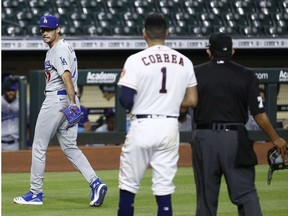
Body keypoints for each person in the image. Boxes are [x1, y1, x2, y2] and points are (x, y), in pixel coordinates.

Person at [13, 15, 107, 206]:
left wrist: (72, 103)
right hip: (67, 100)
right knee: (70, 147)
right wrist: (73, 103)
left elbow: (66, 76)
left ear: (58, 29)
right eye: (42, 30)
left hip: (58, 100)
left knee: (38, 146)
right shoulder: (62, 47)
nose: (45, 33)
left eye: (49, 29)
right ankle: (95, 183)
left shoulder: (59, 49)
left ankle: (35, 193)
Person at [192, 32, 287, 216]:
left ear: (208, 51)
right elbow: (259, 115)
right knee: (245, 194)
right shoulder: (246, 75)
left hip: (204, 138)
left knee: (205, 199)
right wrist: (276, 138)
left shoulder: (195, 73)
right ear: (233, 51)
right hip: (234, 138)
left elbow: (183, 104)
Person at [117, 12, 198, 216]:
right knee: (163, 188)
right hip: (170, 126)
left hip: (143, 124)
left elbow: (125, 99)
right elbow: (192, 100)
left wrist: (147, 100)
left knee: (128, 185)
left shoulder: (135, 60)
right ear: (167, 33)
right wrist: (169, 102)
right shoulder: (184, 61)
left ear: (144, 34)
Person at [2, 77, 20, 151]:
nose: (11, 93)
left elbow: (28, 123)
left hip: (16, 144)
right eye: (9, 90)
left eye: (13, 90)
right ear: (5, 90)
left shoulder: (21, 102)